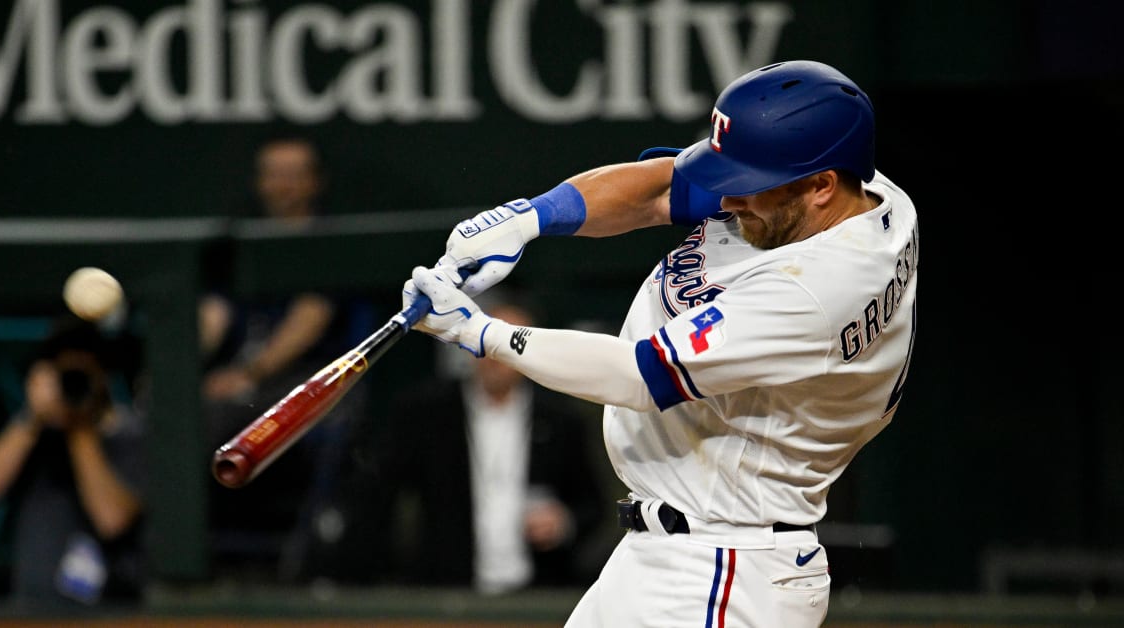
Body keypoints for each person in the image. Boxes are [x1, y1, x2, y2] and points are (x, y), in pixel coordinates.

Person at [401, 60, 919, 626]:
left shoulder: (820, 290)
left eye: (748, 187)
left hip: (722, 567)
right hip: (672, 553)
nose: (727, 201)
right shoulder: (863, 191)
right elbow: (665, 187)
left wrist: (480, 332)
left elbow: (637, 376)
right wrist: (529, 218)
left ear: (821, 187)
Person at [327, 292, 609, 593]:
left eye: (513, 345)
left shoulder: (561, 421)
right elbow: (378, 496)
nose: (498, 357)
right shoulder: (427, 414)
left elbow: (592, 505)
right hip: (447, 593)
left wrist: (563, 523)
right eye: (490, 342)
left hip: (537, 593)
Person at [200, 134, 368, 580]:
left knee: (226, 419)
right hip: (233, 385)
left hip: (310, 387)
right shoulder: (239, 242)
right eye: (274, 176)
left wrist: (247, 376)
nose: (283, 187)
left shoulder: (329, 242)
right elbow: (212, 316)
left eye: (294, 177)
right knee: (175, 417)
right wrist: (174, 371)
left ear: (315, 183)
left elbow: (309, 318)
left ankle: (289, 568)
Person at [0, 315, 147, 610]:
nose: (71, 384)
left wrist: (79, 426)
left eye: (83, 371)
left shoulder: (129, 433)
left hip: (109, 614)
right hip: (33, 612)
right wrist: (32, 416)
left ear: (102, 375)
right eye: (64, 372)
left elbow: (112, 519)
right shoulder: (35, 435)